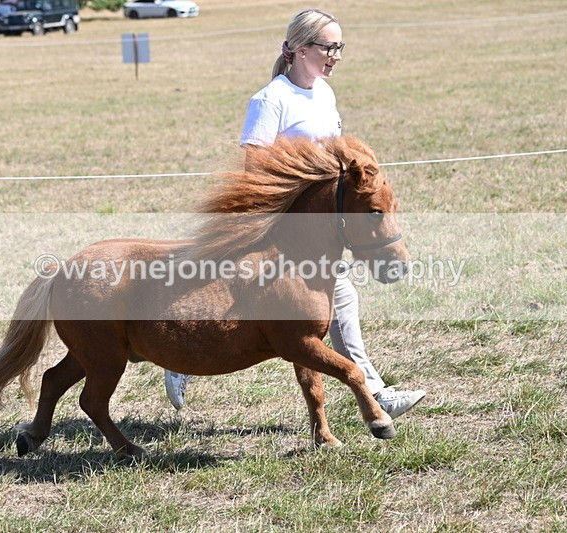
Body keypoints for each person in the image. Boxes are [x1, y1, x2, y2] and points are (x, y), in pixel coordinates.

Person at [165, 8, 425, 417]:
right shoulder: (270, 100)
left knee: (340, 299)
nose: (337, 55)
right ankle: (180, 355)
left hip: (323, 225)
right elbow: (253, 167)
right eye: (330, 47)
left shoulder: (324, 93)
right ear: (301, 49)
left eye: (340, 47)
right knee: (328, 298)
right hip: (286, 224)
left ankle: (374, 393)